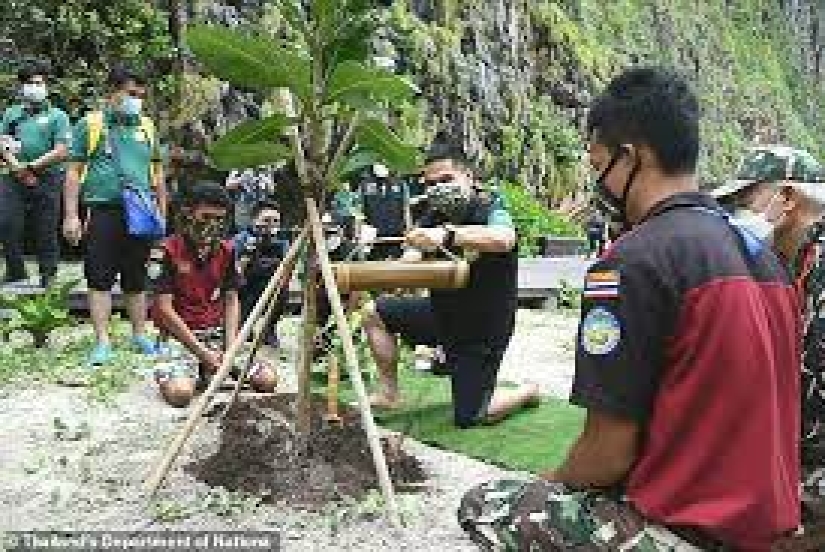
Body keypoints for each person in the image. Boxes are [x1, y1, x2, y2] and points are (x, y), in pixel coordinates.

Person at [458, 67, 801, 550]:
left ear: (630, 158)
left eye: (598, 164)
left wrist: (548, 482)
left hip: (688, 531)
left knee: (485, 504)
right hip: (766, 525)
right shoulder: (763, 257)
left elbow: (607, 455)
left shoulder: (629, 263)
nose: (598, 181)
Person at [362, 145, 539, 429]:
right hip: (441, 315)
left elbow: (504, 238)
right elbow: (412, 257)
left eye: (446, 179)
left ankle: (527, 391)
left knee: (473, 416)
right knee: (375, 313)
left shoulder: (491, 206)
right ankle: (389, 393)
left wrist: (447, 235)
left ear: (467, 176)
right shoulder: (432, 215)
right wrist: (391, 271)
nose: (438, 188)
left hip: (483, 329)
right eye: (431, 183)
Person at [62, 66, 168, 365]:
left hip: (141, 213)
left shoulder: (147, 127)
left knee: (137, 277)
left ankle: (139, 334)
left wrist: (162, 216)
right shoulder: (91, 124)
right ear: (113, 92)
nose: (137, 100)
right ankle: (102, 341)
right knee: (99, 277)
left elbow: (158, 176)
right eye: (131, 94)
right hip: (103, 210)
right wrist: (71, 215)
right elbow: (73, 172)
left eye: (141, 96)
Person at [149, 182, 277, 407]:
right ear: (187, 214)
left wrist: (230, 347)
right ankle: (190, 373)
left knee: (267, 380)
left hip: (216, 336)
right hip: (180, 339)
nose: (213, 224)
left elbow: (231, 299)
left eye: (219, 219)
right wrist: (201, 353)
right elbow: (163, 309)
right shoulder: (165, 250)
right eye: (206, 216)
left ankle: (208, 374)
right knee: (180, 395)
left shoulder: (226, 250)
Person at [0, 62, 72, 287]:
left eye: (39, 83)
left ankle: (48, 275)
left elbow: (62, 150)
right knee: (7, 223)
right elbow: (2, 142)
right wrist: (17, 168)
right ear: (21, 87)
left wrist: (31, 168)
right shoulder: (12, 114)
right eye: (30, 83)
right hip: (13, 177)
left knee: (46, 227)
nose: (35, 87)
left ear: (46, 85)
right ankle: (15, 271)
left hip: (48, 177)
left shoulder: (57, 116)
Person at [234, 200, 290, 348]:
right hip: (246, 287)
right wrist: (248, 252)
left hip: (270, 285)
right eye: (266, 220)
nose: (271, 225)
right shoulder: (242, 239)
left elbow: (286, 269)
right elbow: (236, 272)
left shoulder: (282, 242)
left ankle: (269, 330)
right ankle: (244, 325)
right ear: (254, 220)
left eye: (276, 221)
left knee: (283, 292)